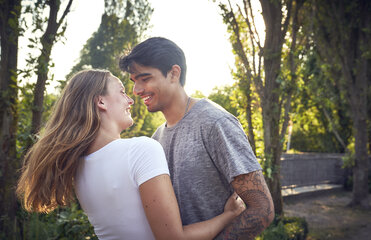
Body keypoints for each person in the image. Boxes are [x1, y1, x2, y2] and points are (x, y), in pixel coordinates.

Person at [16, 69, 246, 240]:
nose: (130, 99)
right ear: (101, 101)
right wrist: (228, 215)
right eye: (123, 92)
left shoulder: (78, 166)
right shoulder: (141, 150)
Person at [119, 37, 275, 239]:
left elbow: (262, 209)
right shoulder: (156, 138)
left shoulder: (216, 123)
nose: (137, 90)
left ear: (174, 73)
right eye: (134, 82)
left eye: (145, 78)